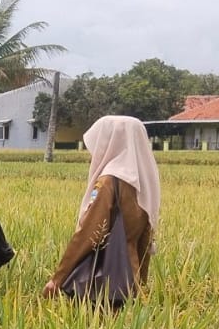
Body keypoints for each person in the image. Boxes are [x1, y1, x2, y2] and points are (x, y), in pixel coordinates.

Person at [41, 115, 159, 300]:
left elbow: (89, 233)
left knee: (101, 328)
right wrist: (141, 279)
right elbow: (145, 238)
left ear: (110, 143)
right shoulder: (144, 183)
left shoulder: (109, 182)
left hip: (103, 285)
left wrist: (57, 279)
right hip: (130, 278)